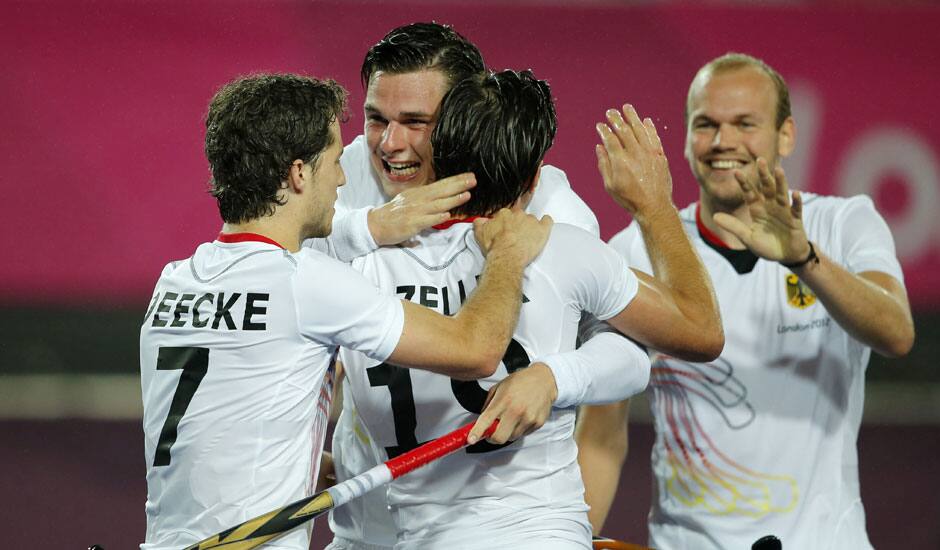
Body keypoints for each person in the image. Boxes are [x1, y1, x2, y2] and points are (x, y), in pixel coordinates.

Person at [319, 22, 722, 550]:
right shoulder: (342, 176)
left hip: (499, 518)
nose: (389, 144)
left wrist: (555, 375)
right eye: (376, 119)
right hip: (366, 519)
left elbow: (627, 349)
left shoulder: (552, 213)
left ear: (466, 119)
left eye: (416, 122)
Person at [138, 73, 553, 550]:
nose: (341, 178)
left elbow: (217, 422)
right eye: (334, 161)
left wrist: (300, 460)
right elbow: (476, 350)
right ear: (298, 174)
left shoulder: (173, 282)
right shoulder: (308, 283)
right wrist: (507, 255)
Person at [577, 53, 915, 550]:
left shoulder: (842, 225)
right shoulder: (633, 249)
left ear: (786, 136)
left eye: (744, 124)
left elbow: (896, 333)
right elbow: (601, 433)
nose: (722, 142)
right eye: (705, 124)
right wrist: (572, 537)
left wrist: (803, 259)